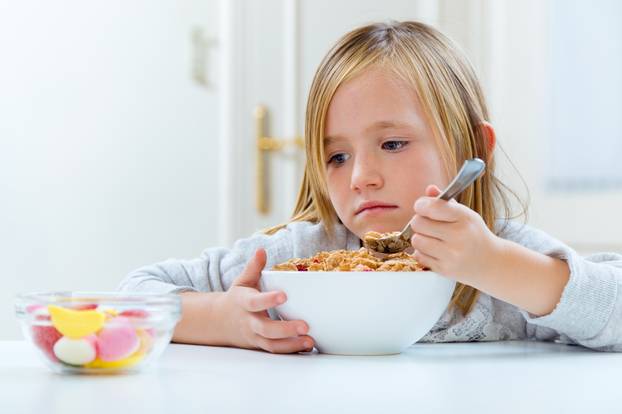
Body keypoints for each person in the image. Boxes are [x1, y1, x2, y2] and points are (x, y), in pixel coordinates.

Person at [118, 21, 622, 353]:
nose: (361, 177)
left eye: (394, 144)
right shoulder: (298, 257)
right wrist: (224, 320)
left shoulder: (503, 254)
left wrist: (495, 265)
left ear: (475, 148)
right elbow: (133, 294)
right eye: (337, 156)